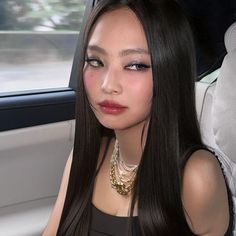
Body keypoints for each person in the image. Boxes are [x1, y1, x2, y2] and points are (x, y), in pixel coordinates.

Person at [43, 0, 234, 235]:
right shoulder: (84, 158)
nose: (107, 85)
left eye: (134, 65)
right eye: (96, 61)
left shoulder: (196, 177)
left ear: (170, 70)